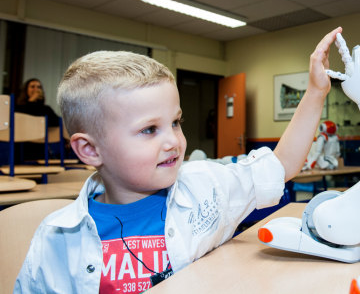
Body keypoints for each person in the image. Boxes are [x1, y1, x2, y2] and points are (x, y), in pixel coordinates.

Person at [14, 26, 343, 293]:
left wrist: (315, 92)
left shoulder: (208, 187)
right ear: (89, 150)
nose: (173, 140)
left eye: (175, 122)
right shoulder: (56, 238)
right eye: (148, 130)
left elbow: (281, 164)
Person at [14, 78, 61, 162]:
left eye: (39, 87)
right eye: (32, 87)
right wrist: (31, 101)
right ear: (26, 90)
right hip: (22, 146)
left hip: (40, 146)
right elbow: (20, 121)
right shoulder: (18, 107)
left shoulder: (46, 109)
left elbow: (56, 122)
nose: (36, 89)